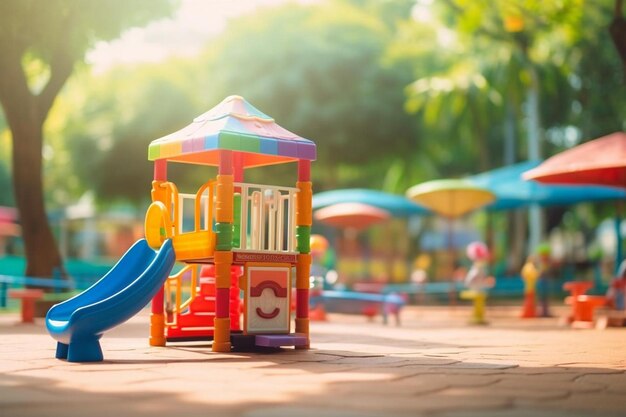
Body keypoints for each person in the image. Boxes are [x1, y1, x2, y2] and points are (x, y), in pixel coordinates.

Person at [462, 241, 494, 324]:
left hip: (479, 288)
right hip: (476, 288)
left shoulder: (479, 269)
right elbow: (471, 278)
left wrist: (486, 282)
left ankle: (479, 316)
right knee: (478, 302)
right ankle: (477, 316)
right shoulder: (477, 269)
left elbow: (479, 278)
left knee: (479, 303)